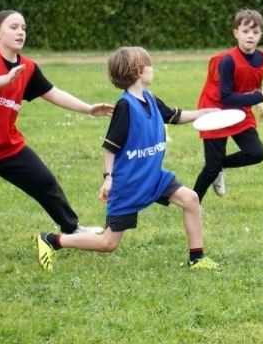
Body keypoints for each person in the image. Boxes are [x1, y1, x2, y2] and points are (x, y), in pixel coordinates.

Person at [37, 46, 219, 271]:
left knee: (190, 199)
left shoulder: (150, 98)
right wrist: (108, 177)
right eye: (149, 65)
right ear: (139, 71)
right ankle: (52, 240)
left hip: (153, 177)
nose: (152, 68)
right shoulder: (125, 106)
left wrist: (203, 113)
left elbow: (174, 116)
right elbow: (110, 147)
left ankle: (197, 259)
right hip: (129, 184)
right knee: (108, 243)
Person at [0, 10, 113, 234]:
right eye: (13, 27)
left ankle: (72, 230)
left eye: (23, 28)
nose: (20, 32)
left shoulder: (28, 68)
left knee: (45, 183)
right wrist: (6, 79)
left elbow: (54, 93)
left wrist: (89, 109)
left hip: (7, 147)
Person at [193, 9, 263, 203]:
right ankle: (192, 204)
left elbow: (252, 82)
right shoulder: (228, 61)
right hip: (215, 110)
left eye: (255, 32)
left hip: (239, 108)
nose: (250, 36)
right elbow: (225, 97)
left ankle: (219, 166)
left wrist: (258, 99)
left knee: (256, 153)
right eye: (245, 31)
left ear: (261, 35)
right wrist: (258, 96)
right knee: (211, 168)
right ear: (236, 33)